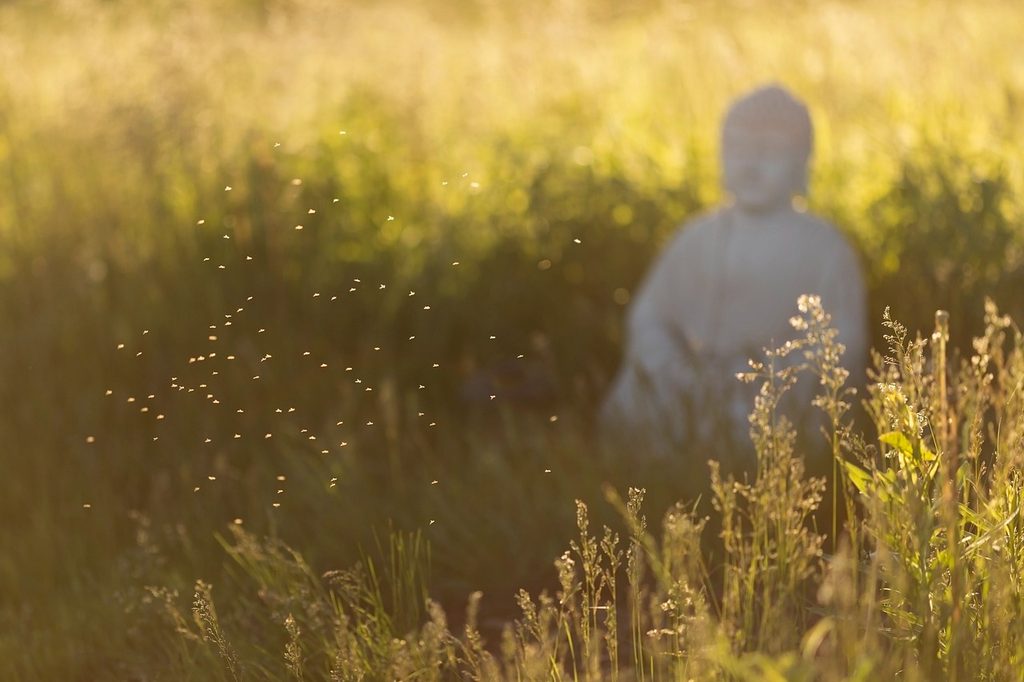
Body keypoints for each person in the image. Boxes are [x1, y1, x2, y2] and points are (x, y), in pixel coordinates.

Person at [601, 84, 867, 473]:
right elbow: (649, 318)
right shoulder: (697, 237)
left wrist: (775, 378)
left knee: (769, 424)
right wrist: (672, 368)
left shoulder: (824, 247)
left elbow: (844, 339)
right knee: (633, 396)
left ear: (800, 162)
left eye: (770, 151)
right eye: (739, 149)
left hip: (770, 388)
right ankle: (652, 479)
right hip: (690, 381)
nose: (751, 164)